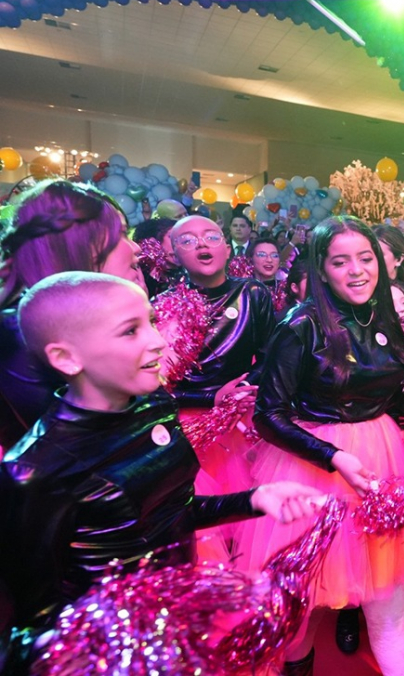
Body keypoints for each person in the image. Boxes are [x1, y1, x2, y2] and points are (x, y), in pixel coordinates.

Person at [0, 272, 321, 675]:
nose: (158, 341)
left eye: (151, 321)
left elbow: (171, 513)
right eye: (130, 331)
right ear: (66, 358)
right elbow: (28, 624)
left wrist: (253, 499)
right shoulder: (35, 471)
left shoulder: (155, 405)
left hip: (176, 621)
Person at [246, 217, 404, 676]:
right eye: (341, 262)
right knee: (299, 607)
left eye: (365, 258)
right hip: (314, 468)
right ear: (321, 269)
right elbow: (267, 415)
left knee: (388, 600)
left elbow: (393, 386)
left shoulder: (382, 317)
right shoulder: (299, 327)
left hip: (381, 462)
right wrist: (333, 456)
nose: (357, 271)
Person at [0, 179, 146, 450]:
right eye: (121, 235)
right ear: (79, 245)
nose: (136, 248)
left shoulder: (89, 315)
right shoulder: (18, 332)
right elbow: (78, 447)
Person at [165, 216, 277, 494]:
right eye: (188, 240)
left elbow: (269, 355)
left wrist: (240, 391)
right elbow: (156, 387)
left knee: (253, 501)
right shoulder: (165, 305)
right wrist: (212, 399)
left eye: (211, 237)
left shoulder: (253, 293)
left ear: (227, 249)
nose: (202, 244)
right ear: (175, 255)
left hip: (242, 413)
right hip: (190, 423)